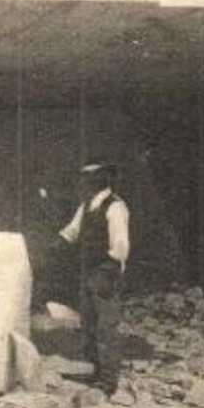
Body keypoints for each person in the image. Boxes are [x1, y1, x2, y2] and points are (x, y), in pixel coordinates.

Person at [58, 162, 130, 394]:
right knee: (89, 323)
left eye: (87, 179)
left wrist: (110, 270)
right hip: (89, 271)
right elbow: (71, 232)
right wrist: (53, 246)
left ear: (99, 181)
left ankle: (109, 381)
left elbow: (120, 244)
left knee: (106, 327)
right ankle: (96, 372)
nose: (82, 184)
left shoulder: (115, 207)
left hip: (105, 271)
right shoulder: (87, 205)